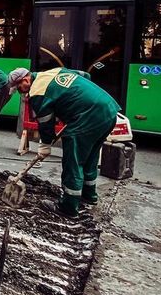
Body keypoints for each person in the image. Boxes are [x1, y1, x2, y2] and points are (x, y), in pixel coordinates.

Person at [9, 67, 119, 217]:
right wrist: (76, 101)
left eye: (19, 88)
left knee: (73, 161)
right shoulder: (53, 72)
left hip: (87, 116)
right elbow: (85, 75)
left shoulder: (37, 92)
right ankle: (89, 196)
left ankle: (68, 206)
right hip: (108, 110)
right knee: (90, 157)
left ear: (26, 80)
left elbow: (46, 124)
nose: (21, 92)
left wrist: (45, 146)